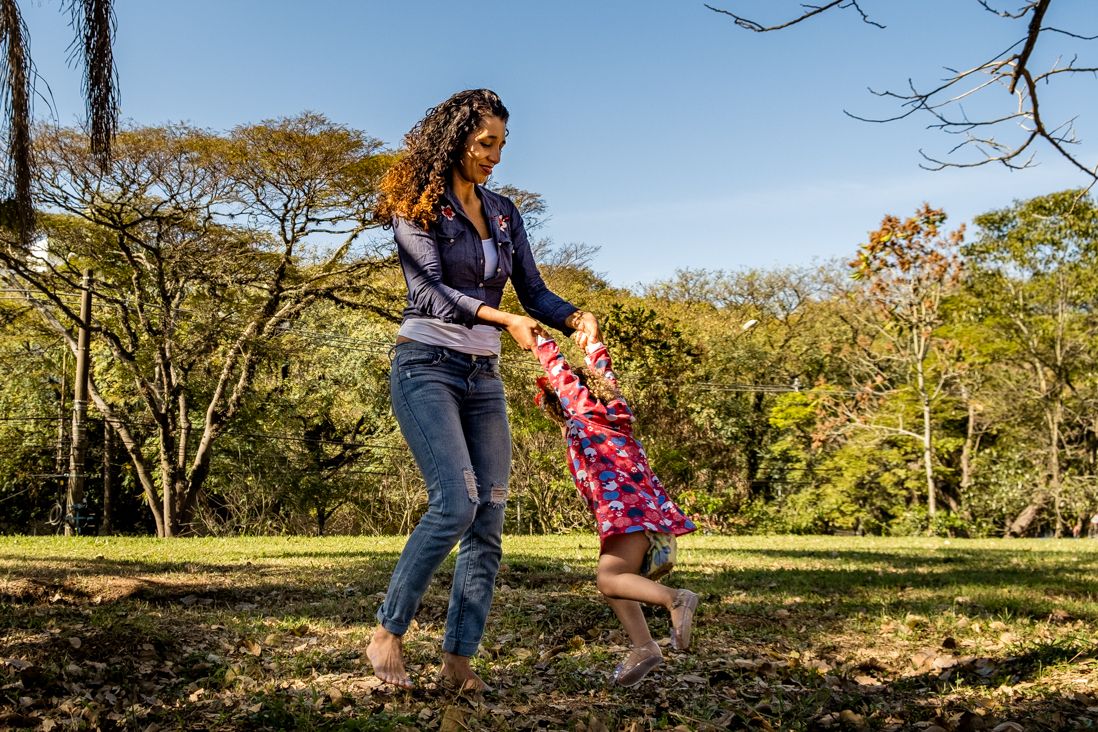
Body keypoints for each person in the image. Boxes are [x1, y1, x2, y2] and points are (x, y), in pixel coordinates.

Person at [367, 89, 601, 691]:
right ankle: (388, 633)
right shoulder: (417, 207)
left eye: (501, 144)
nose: (495, 156)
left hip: (483, 377)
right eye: (484, 144)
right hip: (427, 365)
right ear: (454, 141)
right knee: (454, 503)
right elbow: (431, 292)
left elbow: (533, 291)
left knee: (489, 518)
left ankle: (457, 662)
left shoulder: (502, 211)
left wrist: (576, 319)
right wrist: (503, 320)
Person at [533, 333, 698, 687]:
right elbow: (603, 373)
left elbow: (558, 370)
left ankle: (676, 600)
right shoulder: (615, 413)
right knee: (616, 582)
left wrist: (538, 338)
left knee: (610, 579)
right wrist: (593, 341)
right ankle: (644, 647)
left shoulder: (581, 414)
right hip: (641, 509)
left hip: (626, 511)